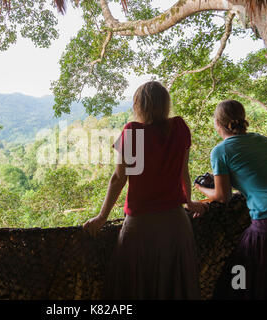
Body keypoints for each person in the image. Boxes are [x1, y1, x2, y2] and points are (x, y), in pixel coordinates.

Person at [83, 81, 205, 299]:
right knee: (174, 289)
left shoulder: (132, 132)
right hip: (176, 224)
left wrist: (102, 217)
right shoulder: (179, 127)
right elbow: (183, 171)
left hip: (141, 226)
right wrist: (189, 201)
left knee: (135, 288)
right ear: (165, 104)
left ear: (139, 105)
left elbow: (119, 178)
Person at [195, 99, 267, 300]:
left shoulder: (220, 151)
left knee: (239, 272)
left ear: (217, 123)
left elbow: (222, 197)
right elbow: (259, 174)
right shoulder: (262, 140)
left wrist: (202, 189)